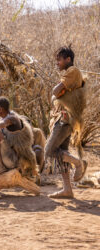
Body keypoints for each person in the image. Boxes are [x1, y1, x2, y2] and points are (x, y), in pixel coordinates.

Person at [45, 46, 87, 198]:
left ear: (68, 59)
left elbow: (56, 91)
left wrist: (57, 92)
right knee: (61, 153)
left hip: (64, 120)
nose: (57, 63)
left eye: (59, 60)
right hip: (64, 119)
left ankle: (78, 163)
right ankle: (67, 189)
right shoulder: (71, 74)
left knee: (49, 151)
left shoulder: (73, 71)